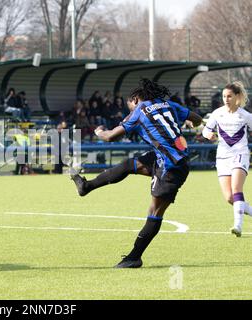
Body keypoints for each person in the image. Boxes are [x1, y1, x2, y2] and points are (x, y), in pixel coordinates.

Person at [71, 79, 202, 268]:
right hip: (167, 157)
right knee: (129, 164)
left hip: (172, 166)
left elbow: (109, 137)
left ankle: (134, 256)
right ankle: (87, 186)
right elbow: (197, 119)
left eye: (130, 106)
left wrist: (99, 131)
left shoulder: (140, 111)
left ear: (135, 99)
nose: (130, 110)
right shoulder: (169, 104)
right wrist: (189, 121)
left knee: (155, 211)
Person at [202, 81, 252, 237]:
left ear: (237, 96)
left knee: (237, 190)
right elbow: (206, 129)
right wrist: (207, 134)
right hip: (222, 157)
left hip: (240, 154)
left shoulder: (245, 116)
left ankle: (238, 226)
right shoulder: (217, 113)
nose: (226, 99)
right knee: (230, 198)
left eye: (229, 96)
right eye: (224, 96)